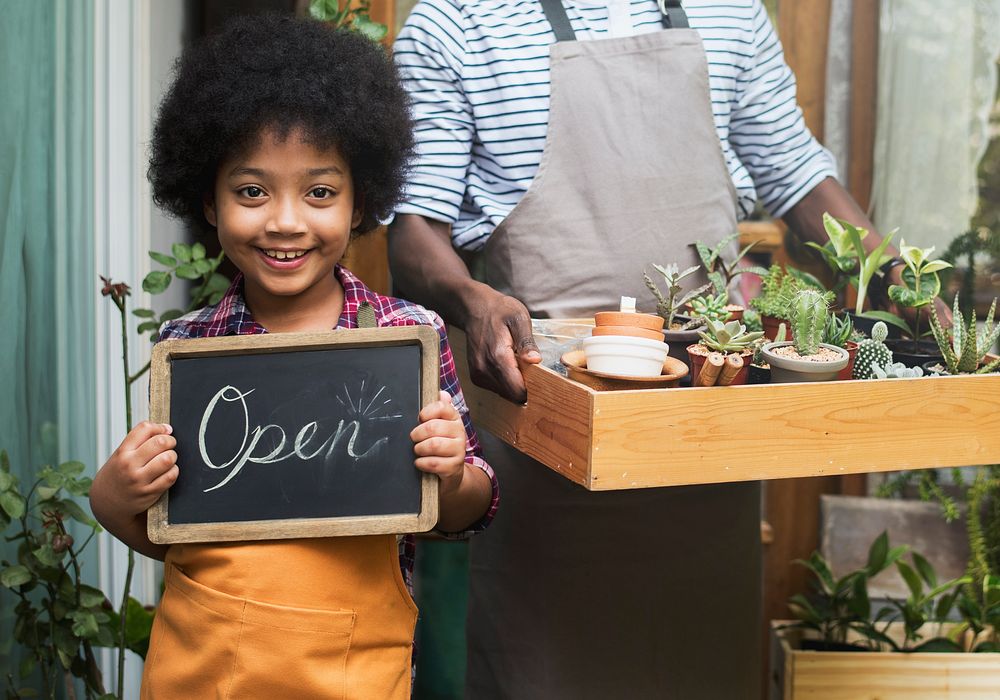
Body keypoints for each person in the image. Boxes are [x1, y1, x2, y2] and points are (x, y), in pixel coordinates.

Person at [388, 1, 935, 698]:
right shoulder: (458, 21)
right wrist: (474, 301)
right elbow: (412, 235)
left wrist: (909, 285)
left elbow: (798, 176)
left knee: (701, 663)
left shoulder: (731, 12)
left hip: (707, 427)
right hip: (549, 415)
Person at [88, 15, 498, 699]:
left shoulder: (406, 338)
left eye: (319, 192)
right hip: (205, 666)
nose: (284, 220)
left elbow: (471, 508)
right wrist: (113, 497)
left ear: (361, 199)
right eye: (252, 191)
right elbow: (173, 526)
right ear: (209, 203)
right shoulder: (192, 350)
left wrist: (452, 474)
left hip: (356, 667)